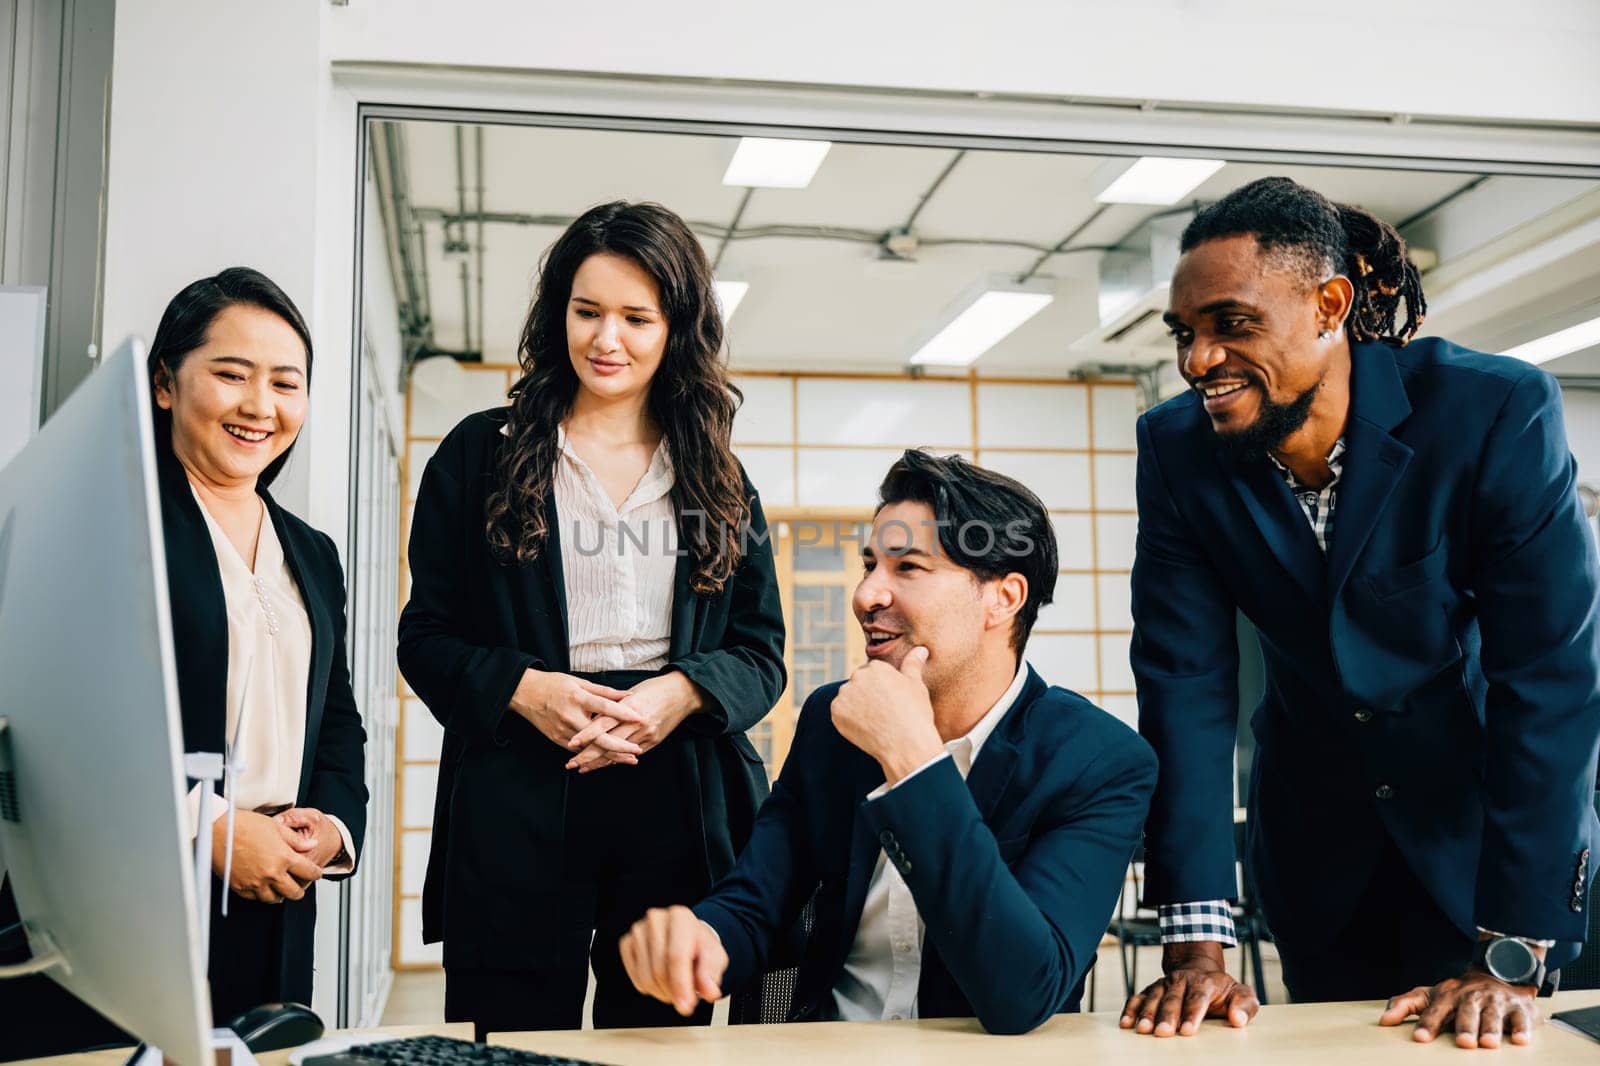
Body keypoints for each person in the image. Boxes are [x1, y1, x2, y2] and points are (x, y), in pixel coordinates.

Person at [1123, 176, 1600, 1049]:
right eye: (1185, 335)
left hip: (1484, 849)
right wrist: (1196, 944)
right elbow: (1185, 686)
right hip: (1317, 857)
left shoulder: (1491, 412)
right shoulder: (1177, 450)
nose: (1198, 360)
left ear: (1329, 305)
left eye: (1232, 323)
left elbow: (1552, 679)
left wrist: (1510, 952)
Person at [398, 201, 786, 1038]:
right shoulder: (480, 454)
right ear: (557, 315)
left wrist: (677, 695)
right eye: (587, 312)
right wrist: (524, 689)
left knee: (654, 1042)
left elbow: (761, 653)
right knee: (509, 1036)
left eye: (636, 318)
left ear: (676, 328)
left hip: (676, 790)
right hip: (518, 783)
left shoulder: (719, 478)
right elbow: (424, 638)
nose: (607, 339)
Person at [619, 450, 1157, 1035]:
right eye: (869, 564)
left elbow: (1023, 994)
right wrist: (703, 936)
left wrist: (913, 759)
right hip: (827, 1048)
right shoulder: (834, 719)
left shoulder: (1099, 762)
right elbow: (756, 902)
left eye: (908, 569)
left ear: (1003, 598)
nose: (867, 595)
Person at [0, 267, 369, 1059]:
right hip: (125, 903)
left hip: (274, 899)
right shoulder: (104, 524)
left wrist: (331, 832)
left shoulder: (312, 552)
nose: (260, 406)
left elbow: (334, 716)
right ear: (165, 382)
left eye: (286, 383)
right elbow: (51, 728)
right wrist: (210, 828)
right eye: (231, 375)